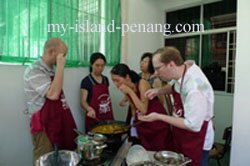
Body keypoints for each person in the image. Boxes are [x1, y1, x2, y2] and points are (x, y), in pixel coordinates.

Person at [138, 46, 214, 166]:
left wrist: (159, 116)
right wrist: (158, 91)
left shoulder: (195, 88)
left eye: (158, 69)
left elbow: (192, 125)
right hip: (182, 134)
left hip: (196, 139)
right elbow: (174, 87)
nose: (156, 74)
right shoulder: (183, 69)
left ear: (171, 65)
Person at [23, 38, 77, 162]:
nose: (64, 58)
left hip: (56, 121)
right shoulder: (34, 70)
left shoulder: (52, 69)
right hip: (43, 127)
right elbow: (53, 94)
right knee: (44, 159)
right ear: (52, 51)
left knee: (59, 159)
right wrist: (61, 67)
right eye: (63, 55)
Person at [110, 63, 172, 151]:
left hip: (156, 120)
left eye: (117, 80)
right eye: (113, 81)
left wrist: (130, 91)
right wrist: (133, 122)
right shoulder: (124, 87)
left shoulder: (142, 83)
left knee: (158, 151)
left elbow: (143, 110)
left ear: (127, 77)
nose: (116, 84)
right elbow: (133, 107)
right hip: (144, 121)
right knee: (142, 150)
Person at [80, 52, 114, 132]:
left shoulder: (106, 79)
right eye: (97, 65)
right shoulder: (86, 81)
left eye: (102, 66)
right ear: (91, 64)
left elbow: (106, 96)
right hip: (94, 116)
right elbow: (83, 102)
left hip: (107, 115)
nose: (100, 68)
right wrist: (89, 109)